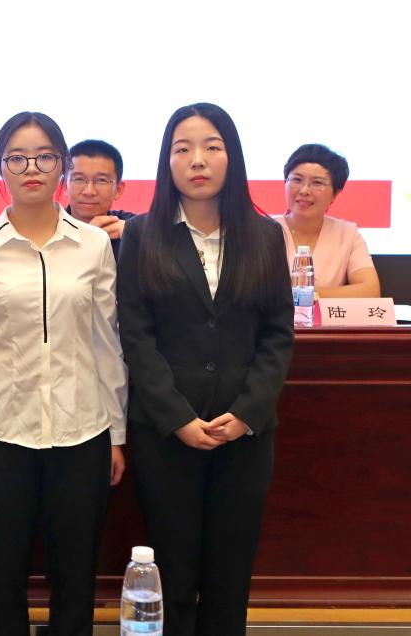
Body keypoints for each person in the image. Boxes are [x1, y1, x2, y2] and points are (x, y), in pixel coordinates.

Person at [0, 112, 127, 636]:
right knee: (2, 578)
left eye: (45, 157)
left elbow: (106, 343)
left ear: (62, 166)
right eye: (17, 158)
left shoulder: (92, 245)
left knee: (76, 578)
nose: (31, 169)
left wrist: (116, 433)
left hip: (83, 431)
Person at [117, 103, 295, 636]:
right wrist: (176, 417)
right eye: (183, 148)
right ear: (167, 161)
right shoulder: (142, 235)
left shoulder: (264, 235)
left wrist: (247, 414)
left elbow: (277, 334)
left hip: (245, 437)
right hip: (166, 434)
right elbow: (136, 337)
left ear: (231, 156)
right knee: (171, 572)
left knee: (229, 576)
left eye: (212, 147)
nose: (198, 160)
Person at [273, 143, 381, 297]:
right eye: (297, 180)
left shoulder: (347, 233)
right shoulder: (262, 230)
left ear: (335, 194)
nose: (304, 190)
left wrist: (307, 295)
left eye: (317, 183)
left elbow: (370, 291)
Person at [65, 139, 136, 258]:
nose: (89, 191)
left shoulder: (131, 226)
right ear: (64, 186)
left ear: (118, 189)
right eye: (79, 179)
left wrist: (133, 236)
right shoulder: (49, 228)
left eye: (101, 180)